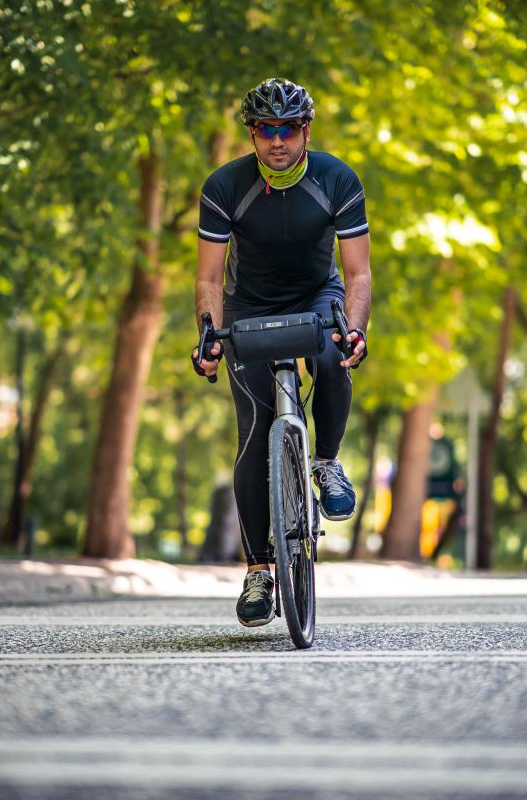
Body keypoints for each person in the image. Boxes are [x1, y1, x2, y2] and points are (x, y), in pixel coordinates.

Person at [192, 78, 371, 627]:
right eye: (265, 130)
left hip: (318, 295)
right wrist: (207, 335)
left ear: (304, 131)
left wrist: (357, 329)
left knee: (332, 350)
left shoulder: (337, 179)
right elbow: (209, 279)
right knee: (252, 431)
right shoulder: (224, 186)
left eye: (286, 129)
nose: (276, 141)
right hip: (250, 304)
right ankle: (258, 571)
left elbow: (359, 272)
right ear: (251, 133)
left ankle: (327, 462)